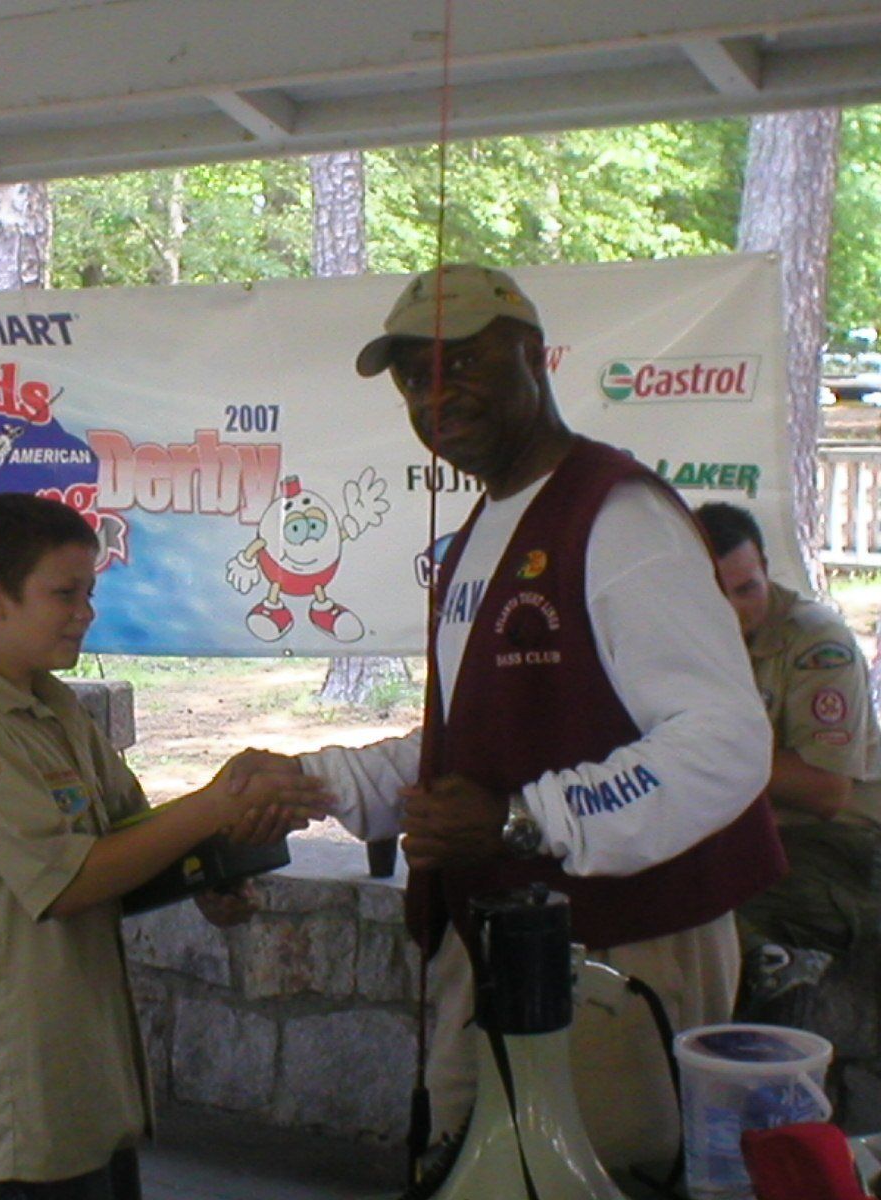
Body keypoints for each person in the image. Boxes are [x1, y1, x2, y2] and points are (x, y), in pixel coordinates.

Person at [299, 264, 784, 1170]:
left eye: (462, 362)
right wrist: (318, 781)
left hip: (623, 946)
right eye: (412, 377)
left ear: (532, 354)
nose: (434, 394)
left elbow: (724, 742)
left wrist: (525, 821)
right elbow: (471, 744)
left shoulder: (619, 513)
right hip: (498, 940)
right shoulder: (486, 525)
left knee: (594, 1180)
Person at [0, 493, 328, 1199]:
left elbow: (129, 835)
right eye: (65, 594)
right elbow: (71, 880)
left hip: (85, 1050)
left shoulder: (53, 707)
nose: (85, 613)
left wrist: (211, 875)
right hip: (26, 1063)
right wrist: (216, 803)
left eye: (90, 593)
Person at [696, 501, 881, 1011]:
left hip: (834, 843)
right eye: (715, 592)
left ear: (766, 573)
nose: (734, 607)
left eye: (747, 589)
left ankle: (775, 974)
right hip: (740, 831)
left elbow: (826, 790)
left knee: (702, 894)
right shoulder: (680, 637)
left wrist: (701, 752)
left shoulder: (816, 641)